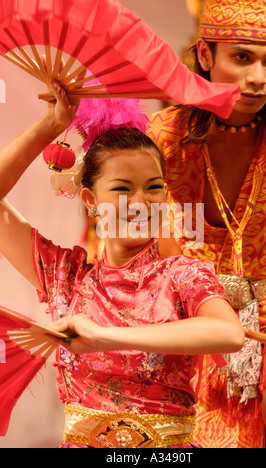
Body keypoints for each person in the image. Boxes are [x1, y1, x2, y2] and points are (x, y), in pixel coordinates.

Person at [0, 80, 244, 448]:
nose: (141, 202)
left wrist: (103, 337)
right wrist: (51, 124)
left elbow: (229, 334)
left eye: (154, 187)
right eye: (121, 188)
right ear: (90, 199)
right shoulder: (66, 276)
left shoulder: (182, 275)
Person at [146, 0, 266, 449]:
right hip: (202, 320)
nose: (259, 78)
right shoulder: (160, 137)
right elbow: (131, 241)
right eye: (242, 58)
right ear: (207, 56)